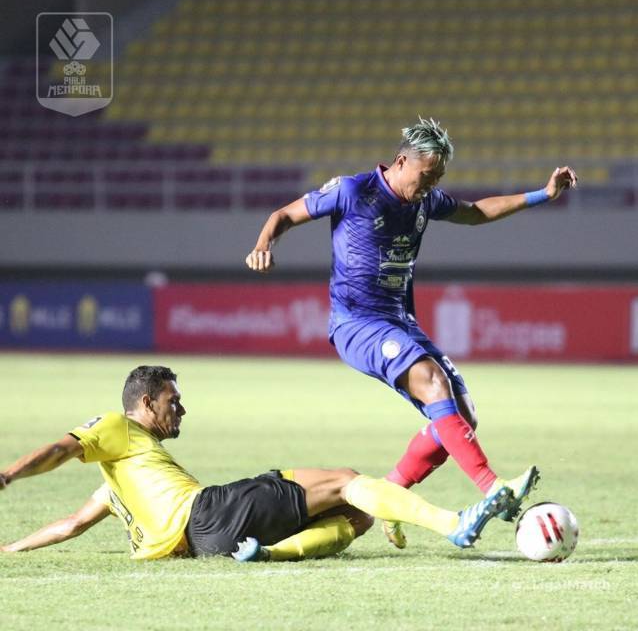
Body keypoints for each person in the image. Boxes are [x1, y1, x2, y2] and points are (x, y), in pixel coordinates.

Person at [246, 116, 578, 548]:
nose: (430, 185)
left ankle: (390, 497)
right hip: (357, 323)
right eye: (426, 175)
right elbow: (285, 214)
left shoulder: (424, 201)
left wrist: (543, 194)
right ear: (401, 161)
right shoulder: (353, 191)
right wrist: (263, 243)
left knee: (462, 416)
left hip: (401, 321)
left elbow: (476, 212)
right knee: (432, 382)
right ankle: (492, 488)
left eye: (438, 178)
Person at [0, 365, 516, 562]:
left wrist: (9, 547)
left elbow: (70, 526)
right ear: (145, 403)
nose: (180, 408)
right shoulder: (117, 425)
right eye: (171, 400)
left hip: (206, 546)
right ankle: (454, 524)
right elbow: (61, 449)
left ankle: (270, 554)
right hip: (210, 513)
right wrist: (6, 474)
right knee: (346, 480)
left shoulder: (121, 485)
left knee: (356, 517)